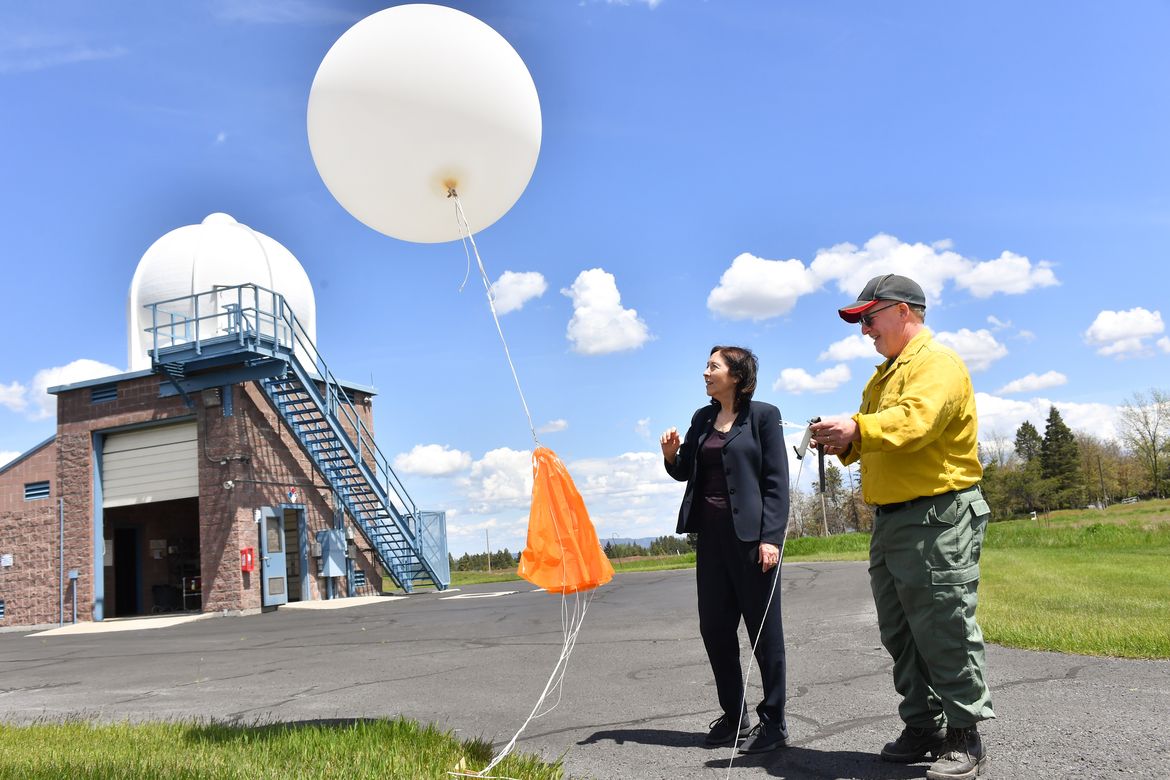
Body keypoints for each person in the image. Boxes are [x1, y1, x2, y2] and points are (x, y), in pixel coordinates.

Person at [810, 274, 994, 780]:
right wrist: (842, 438)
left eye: (869, 318)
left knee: (943, 626)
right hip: (892, 519)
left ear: (902, 311)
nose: (864, 329)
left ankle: (964, 735)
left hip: (938, 515)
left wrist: (859, 427)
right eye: (861, 321)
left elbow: (917, 421)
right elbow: (876, 431)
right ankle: (923, 727)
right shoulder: (886, 373)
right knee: (901, 631)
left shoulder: (936, 364)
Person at [660, 345, 789, 754]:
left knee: (764, 633)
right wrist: (669, 456)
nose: (705, 372)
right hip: (711, 542)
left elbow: (776, 481)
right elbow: (686, 470)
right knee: (715, 629)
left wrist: (771, 537)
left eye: (713, 366)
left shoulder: (764, 416)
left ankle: (774, 723)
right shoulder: (702, 418)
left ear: (735, 374)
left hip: (753, 543)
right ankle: (735, 717)